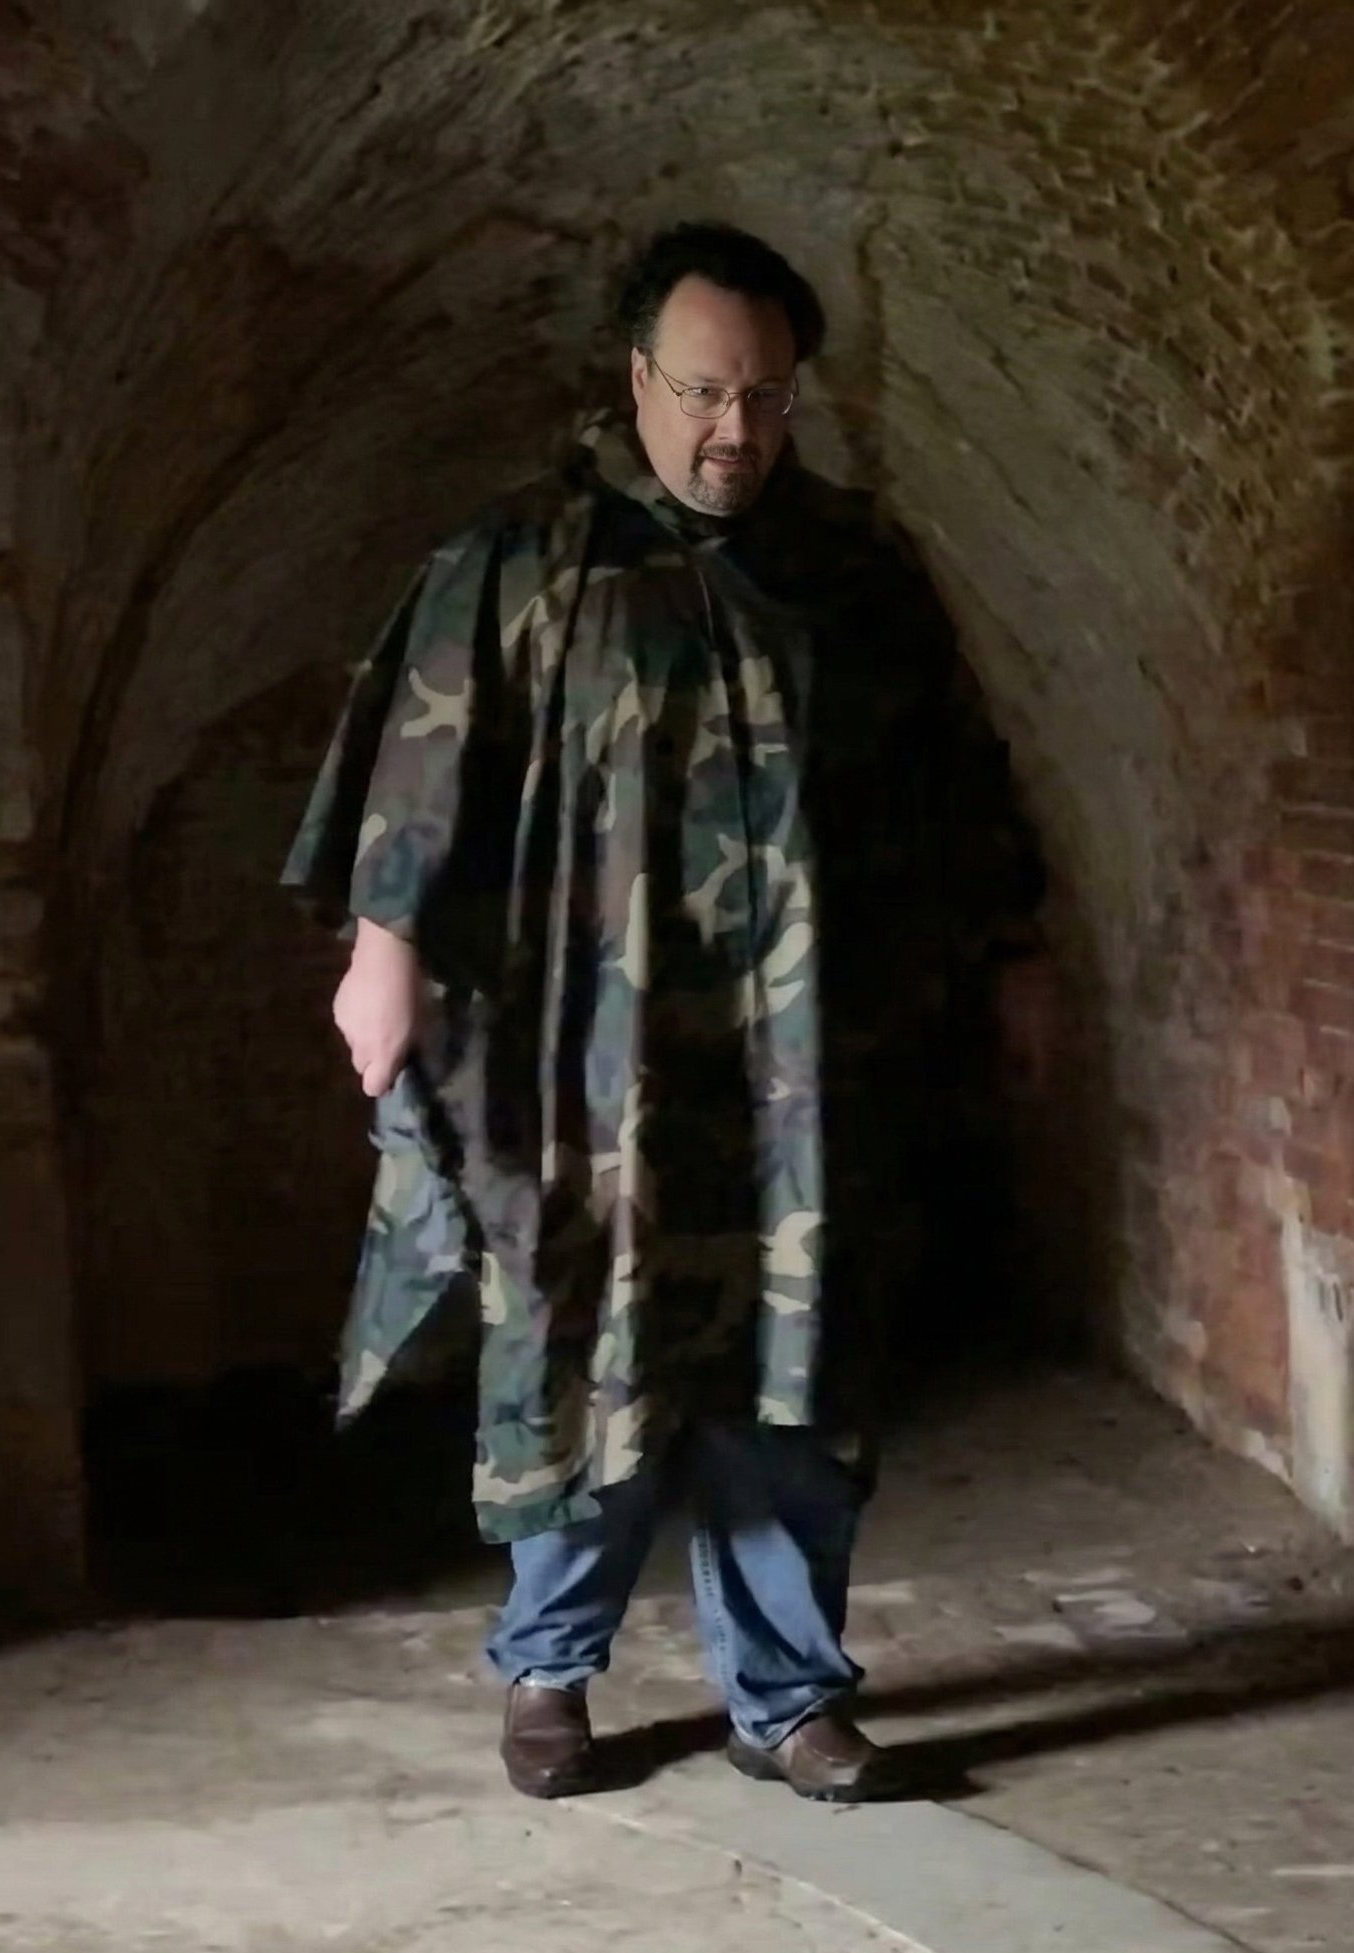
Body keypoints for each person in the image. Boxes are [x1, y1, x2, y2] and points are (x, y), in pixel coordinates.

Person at [284, 222, 1048, 1804]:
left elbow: (953, 778)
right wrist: (385, 949)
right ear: (637, 377)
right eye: (704, 391)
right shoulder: (522, 560)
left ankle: (787, 1697)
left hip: (804, 1063)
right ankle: (550, 1670)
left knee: (795, 1354)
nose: (734, 430)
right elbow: (421, 765)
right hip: (596, 1056)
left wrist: (1013, 952)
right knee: (585, 1341)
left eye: (766, 397)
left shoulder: (851, 568)